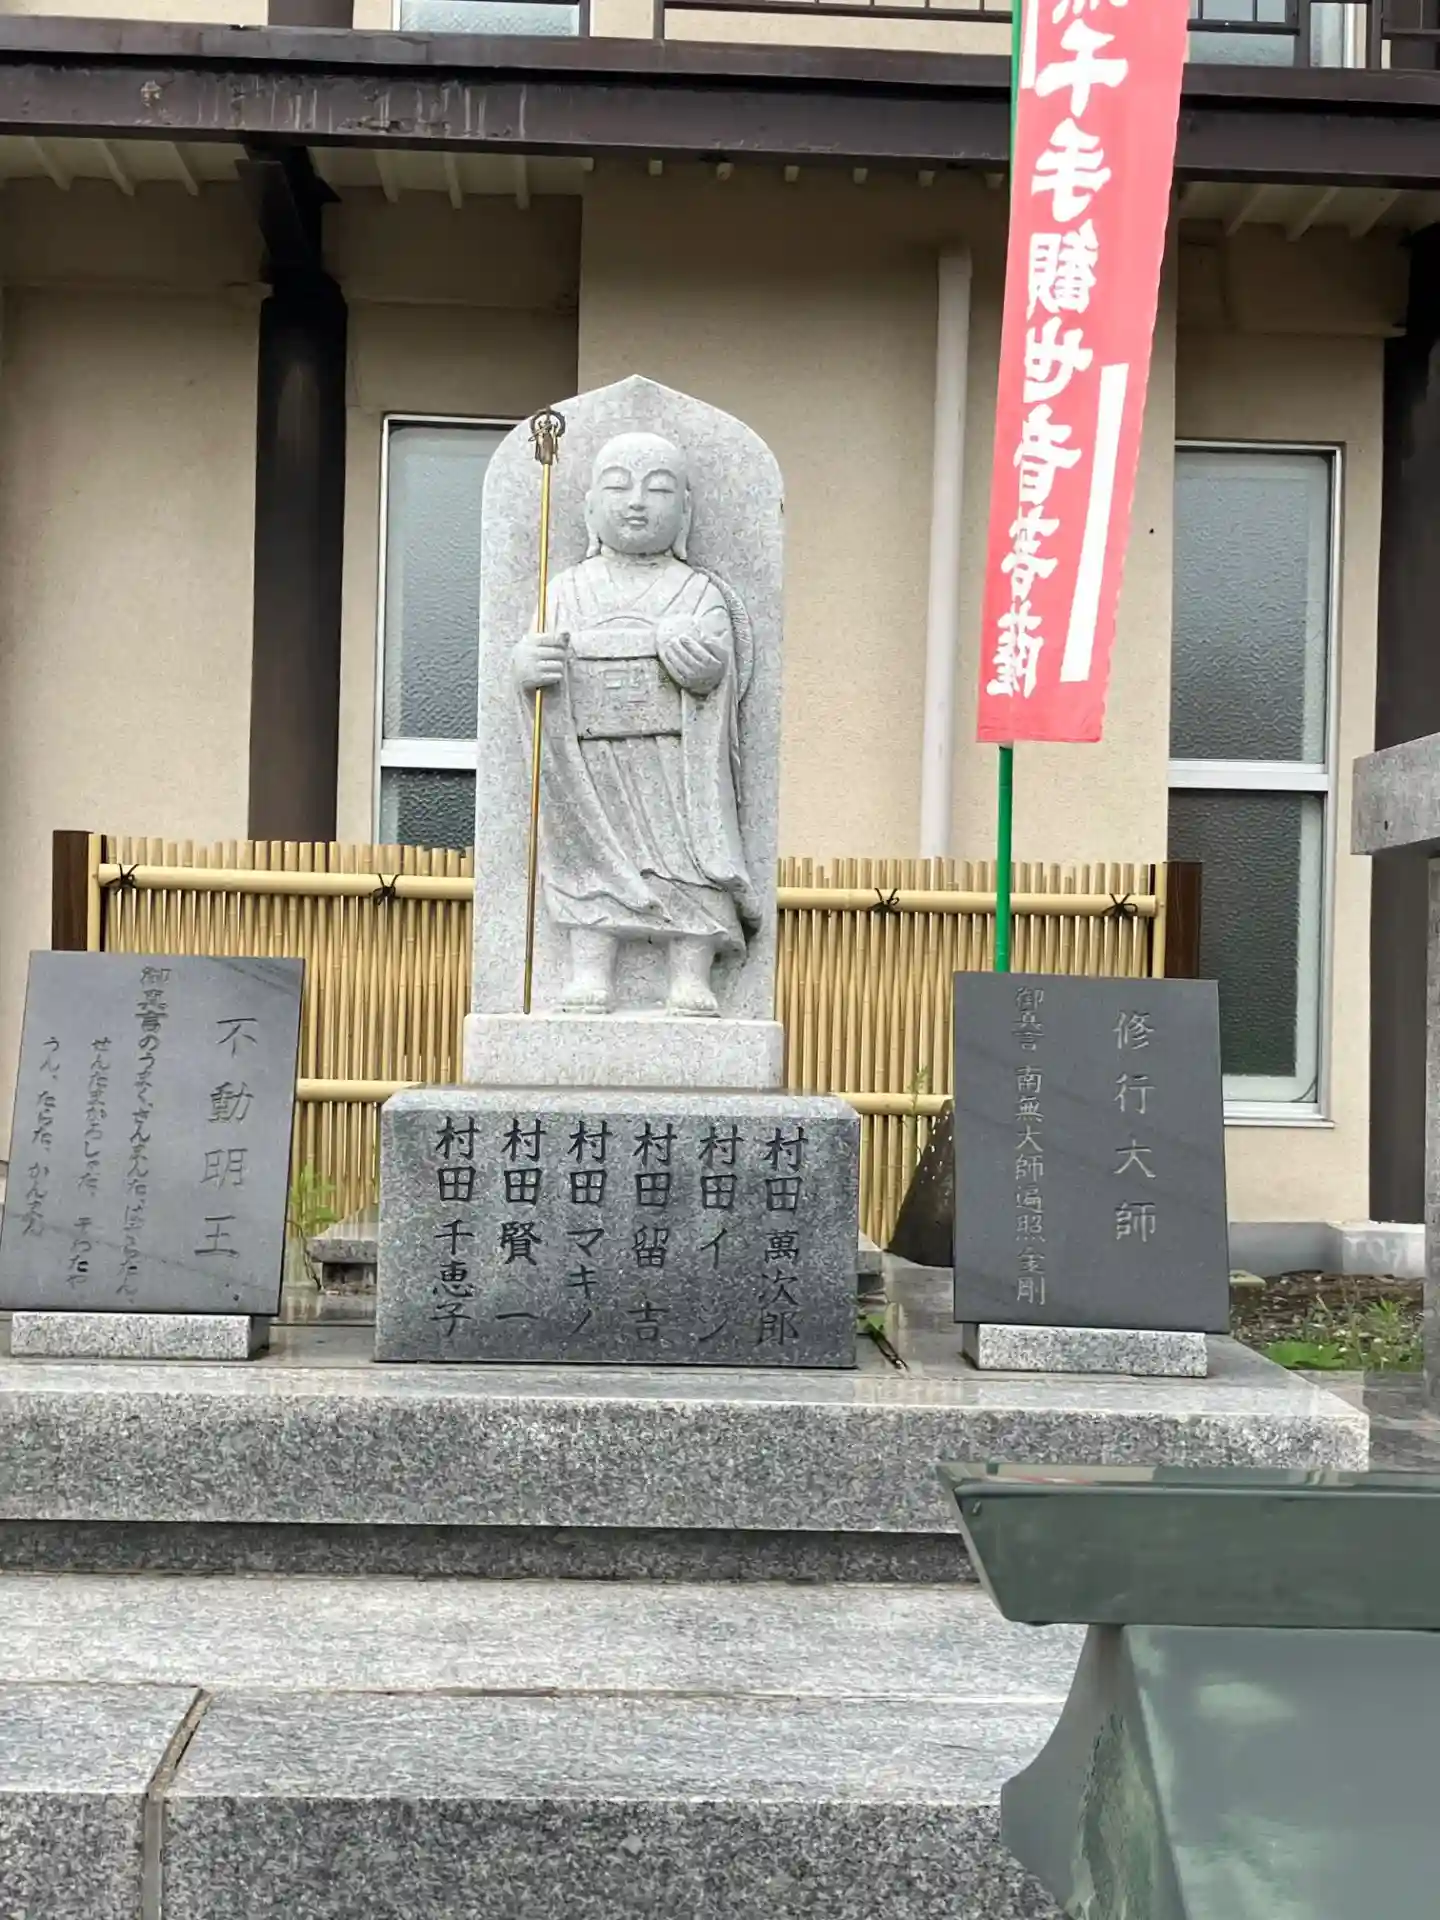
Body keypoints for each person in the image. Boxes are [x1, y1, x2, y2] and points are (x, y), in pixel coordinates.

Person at [513, 430, 759, 1016]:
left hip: (674, 762)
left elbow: (720, 672)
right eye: (619, 487)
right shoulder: (566, 590)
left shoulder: (697, 592)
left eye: (659, 489)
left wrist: (697, 661)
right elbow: (535, 662)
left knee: (687, 860)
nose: (638, 502)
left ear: (685, 511)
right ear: (590, 510)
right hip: (590, 758)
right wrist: (525, 667)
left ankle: (690, 974)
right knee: (588, 853)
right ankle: (590, 969)